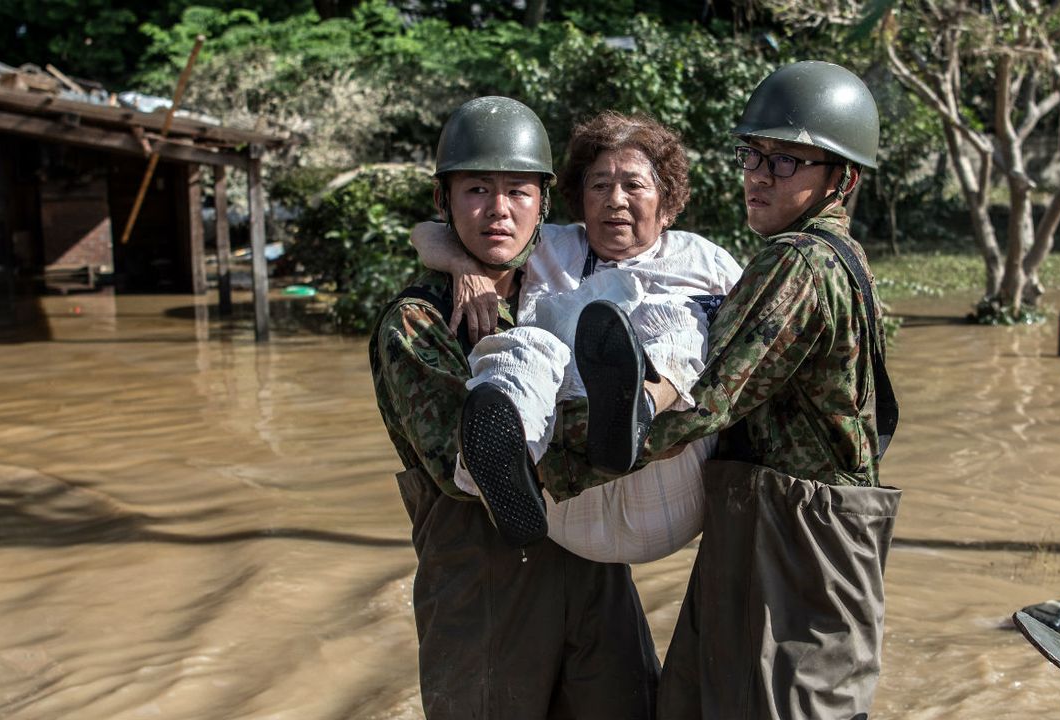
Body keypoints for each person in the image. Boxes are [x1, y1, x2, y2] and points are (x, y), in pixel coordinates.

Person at [565, 61, 903, 719]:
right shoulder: (843, 255)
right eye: (753, 153)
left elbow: (710, 402)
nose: (757, 174)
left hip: (797, 544)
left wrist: (562, 459)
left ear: (844, 178)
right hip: (773, 528)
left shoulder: (797, 260)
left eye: (786, 161)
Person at [368, 96, 660, 720]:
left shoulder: (570, 280)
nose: (499, 210)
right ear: (444, 202)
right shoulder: (419, 324)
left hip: (593, 567)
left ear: (545, 204)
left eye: (518, 191)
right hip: (485, 587)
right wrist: (642, 426)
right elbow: (472, 465)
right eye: (476, 189)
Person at [412, 111, 742, 563]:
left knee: (677, 321)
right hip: (566, 508)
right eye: (600, 186)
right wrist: (467, 270)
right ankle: (504, 469)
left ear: (668, 205)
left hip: (666, 482)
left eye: (633, 185)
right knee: (527, 344)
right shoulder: (549, 245)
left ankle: (639, 405)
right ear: (579, 199)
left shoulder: (704, 261)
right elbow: (431, 232)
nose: (615, 200)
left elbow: (749, 357)